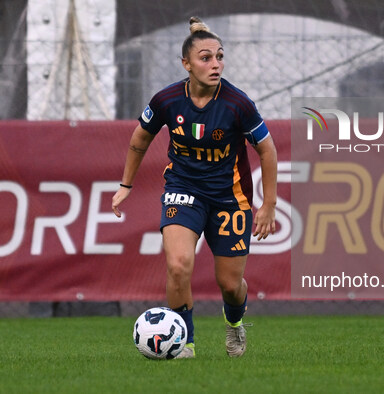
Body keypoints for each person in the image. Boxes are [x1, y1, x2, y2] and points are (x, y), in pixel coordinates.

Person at [111, 16, 277, 358]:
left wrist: (268, 204)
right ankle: (183, 342)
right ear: (186, 64)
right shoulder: (167, 100)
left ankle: (234, 325)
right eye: (206, 58)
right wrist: (126, 184)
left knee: (230, 286)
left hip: (230, 197)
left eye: (219, 56)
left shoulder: (238, 104)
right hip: (183, 188)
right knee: (178, 264)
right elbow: (140, 138)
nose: (215, 64)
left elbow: (267, 149)